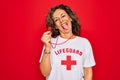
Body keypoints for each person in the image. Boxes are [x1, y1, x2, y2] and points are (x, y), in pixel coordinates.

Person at [39, 4, 96, 80]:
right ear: (55, 26)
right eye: (56, 19)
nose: (61, 20)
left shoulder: (84, 43)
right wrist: (47, 47)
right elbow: (45, 73)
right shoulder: (50, 42)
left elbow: (88, 71)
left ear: (70, 18)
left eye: (63, 16)